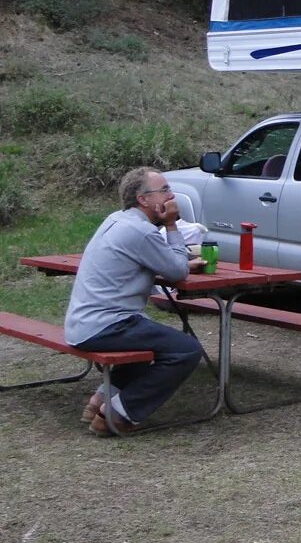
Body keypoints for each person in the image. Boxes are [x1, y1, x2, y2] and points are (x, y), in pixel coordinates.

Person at [65, 167, 207, 435]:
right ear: (143, 199)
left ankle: (98, 402)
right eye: (163, 190)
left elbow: (157, 260)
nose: (170, 195)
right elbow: (176, 271)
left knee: (145, 342)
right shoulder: (141, 231)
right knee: (186, 350)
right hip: (105, 326)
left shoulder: (117, 220)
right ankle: (119, 414)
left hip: (84, 323)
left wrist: (178, 260)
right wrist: (172, 225)